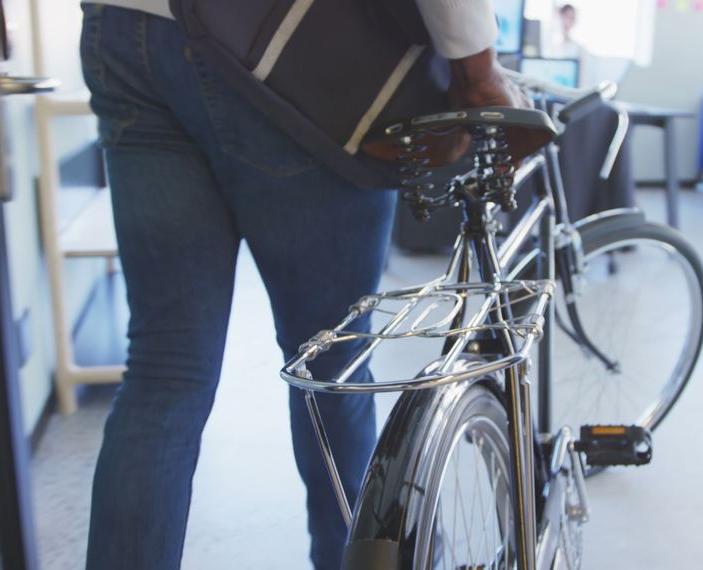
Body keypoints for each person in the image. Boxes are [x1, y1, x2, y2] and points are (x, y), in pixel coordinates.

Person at [79, 2, 528, 569]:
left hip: (127, 31)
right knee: (331, 367)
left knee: (165, 372)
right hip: (289, 48)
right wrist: (479, 73)